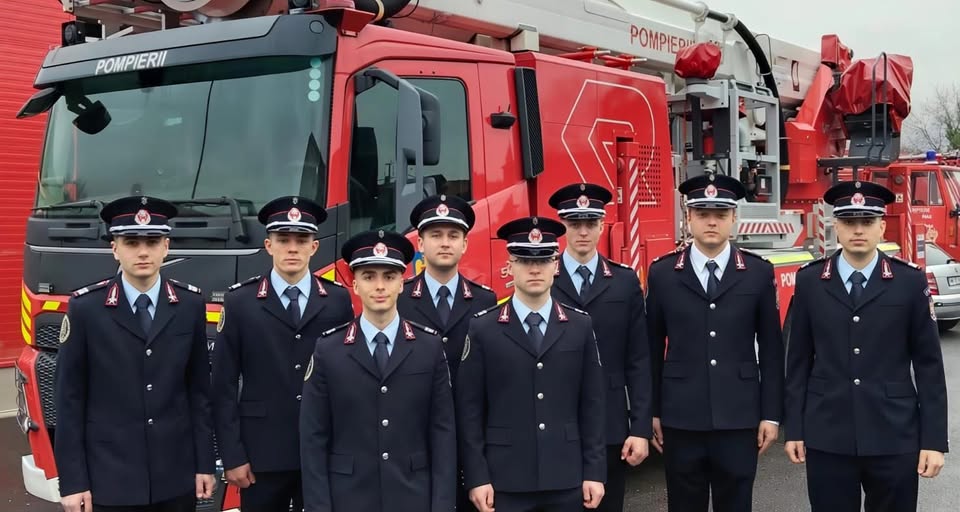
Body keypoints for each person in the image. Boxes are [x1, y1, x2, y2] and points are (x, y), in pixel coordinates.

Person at [784, 180, 948, 511]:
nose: (858, 230)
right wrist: (795, 430)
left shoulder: (909, 281)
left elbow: (929, 365)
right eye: (849, 221)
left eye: (867, 221)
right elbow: (798, 361)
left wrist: (933, 441)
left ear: (882, 227)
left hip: (894, 435)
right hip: (828, 435)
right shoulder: (811, 281)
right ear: (835, 226)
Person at [54, 196, 216, 512]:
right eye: (131, 242)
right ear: (114, 249)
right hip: (111, 478)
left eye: (152, 242)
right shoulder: (86, 309)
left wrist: (204, 464)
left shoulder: (190, 305)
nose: (143, 252)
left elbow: (198, 393)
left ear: (166, 246)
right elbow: (69, 400)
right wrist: (73, 483)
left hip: (176, 475)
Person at [645, 173, 784, 512]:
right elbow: (650, 349)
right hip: (681, 418)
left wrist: (771, 414)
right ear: (688, 217)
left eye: (720, 214)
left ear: (733, 218)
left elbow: (771, 349)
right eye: (702, 214)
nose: (711, 222)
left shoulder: (757, 273)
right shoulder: (663, 274)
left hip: (739, 418)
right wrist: (651, 411)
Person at [212, 196, 353, 511]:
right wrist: (232, 456)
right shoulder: (240, 303)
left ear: (314, 247)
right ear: (268, 245)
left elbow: (348, 379)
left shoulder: (336, 301)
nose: (292, 248)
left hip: (323, 450)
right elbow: (222, 386)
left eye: (301, 240)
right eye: (283, 240)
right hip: (261, 455)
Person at [457, 216, 606, 512]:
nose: (534, 269)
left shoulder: (579, 326)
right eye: (524, 260)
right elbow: (469, 410)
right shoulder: (483, 329)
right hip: (505, 480)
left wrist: (594, 471)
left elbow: (593, 404)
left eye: (543, 260)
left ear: (555, 265)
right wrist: (477, 477)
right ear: (510, 266)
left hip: (566, 476)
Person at [299, 229, 456, 511]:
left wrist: (442, 505)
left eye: (389, 276)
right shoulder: (329, 350)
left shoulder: (429, 347)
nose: (380, 286)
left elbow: (442, 432)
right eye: (369, 277)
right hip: (349, 498)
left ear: (402, 283)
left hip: (413, 497)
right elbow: (313, 437)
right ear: (355, 285)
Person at [547, 183, 652, 512]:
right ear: (563, 225)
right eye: (574, 223)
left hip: (610, 425)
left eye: (590, 223)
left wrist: (640, 428)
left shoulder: (624, 281)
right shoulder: (543, 280)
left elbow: (639, 359)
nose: (582, 232)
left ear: (602, 225)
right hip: (554, 423)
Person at [398, 194, 497, 511]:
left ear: (465, 244)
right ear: (420, 243)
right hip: (414, 440)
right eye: (435, 235)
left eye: (453, 235)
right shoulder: (399, 301)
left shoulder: (484, 301)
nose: (444, 243)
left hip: (470, 439)